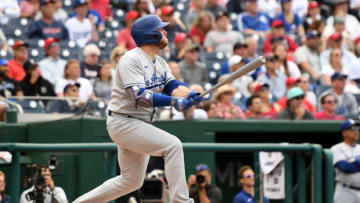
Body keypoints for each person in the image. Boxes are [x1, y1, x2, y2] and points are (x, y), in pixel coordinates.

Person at [73, 15, 202, 203]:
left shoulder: (160, 62)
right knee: (173, 146)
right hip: (123, 121)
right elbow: (139, 97)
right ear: (151, 36)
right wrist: (174, 102)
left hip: (138, 123)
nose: (165, 32)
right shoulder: (130, 60)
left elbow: (173, 86)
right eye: (161, 30)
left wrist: (189, 94)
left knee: (131, 181)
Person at [331, 119, 360, 203]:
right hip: (345, 191)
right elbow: (345, 167)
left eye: (357, 128)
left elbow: (350, 165)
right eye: (352, 129)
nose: (356, 131)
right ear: (344, 133)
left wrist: (355, 162)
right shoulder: (337, 148)